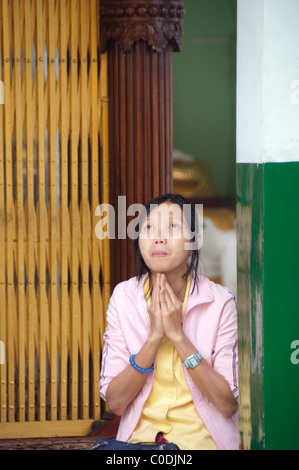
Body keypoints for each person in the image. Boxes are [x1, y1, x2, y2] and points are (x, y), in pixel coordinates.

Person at [100, 194, 238, 450]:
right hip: (138, 444)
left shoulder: (220, 302)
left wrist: (178, 336)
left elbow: (228, 405)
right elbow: (116, 403)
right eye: (149, 227)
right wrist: (153, 338)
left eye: (172, 227)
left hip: (200, 444)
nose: (158, 238)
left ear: (195, 240)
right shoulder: (124, 298)